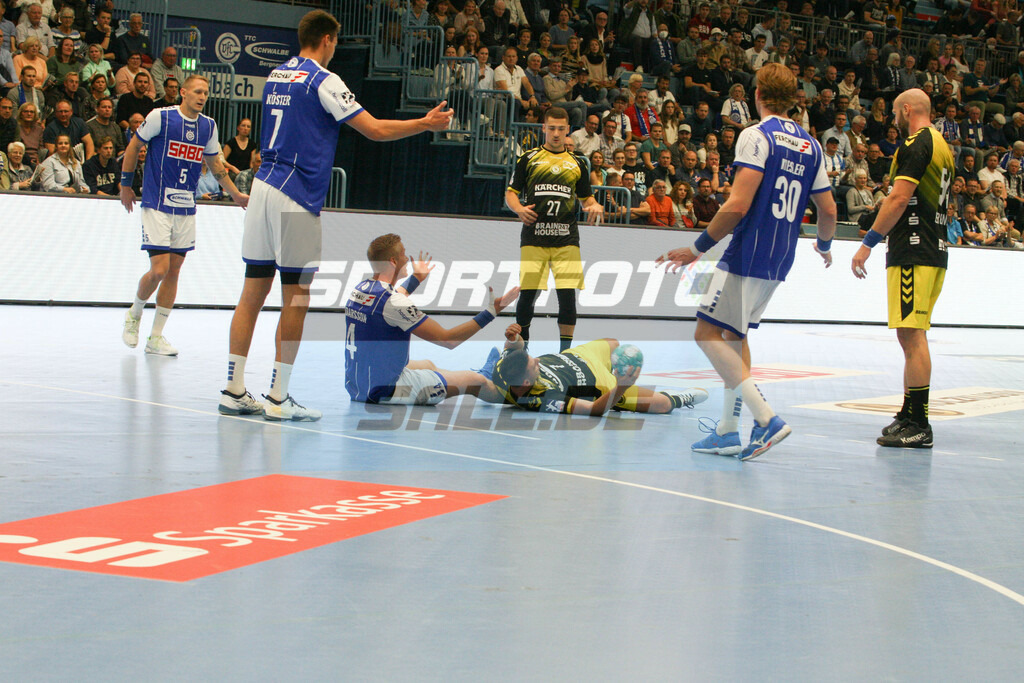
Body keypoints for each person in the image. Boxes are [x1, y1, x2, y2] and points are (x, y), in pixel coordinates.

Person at [220, 10, 453, 422]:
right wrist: (426, 123)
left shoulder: (276, 75)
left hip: (260, 188)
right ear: (327, 39)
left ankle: (234, 389)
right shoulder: (323, 79)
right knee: (297, 297)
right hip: (295, 195)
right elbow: (375, 130)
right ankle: (278, 396)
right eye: (336, 41)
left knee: (251, 294)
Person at [656, 62, 837, 460]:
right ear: (794, 99)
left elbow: (738, 204)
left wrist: (697, 248)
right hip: (781, 258)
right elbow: (828, 211)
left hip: (747, 252)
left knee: (705, 333)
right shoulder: (813, 145)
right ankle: (726, 430)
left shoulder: (756, 136)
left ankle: (766, 418)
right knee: (735, 338)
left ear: (757, 93)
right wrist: (824, 246)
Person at [852, 89, 956, 449]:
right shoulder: (942, 144)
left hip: (914, 249)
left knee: (913, 336)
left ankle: (920, 423)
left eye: (895, 111)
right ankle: (909, 412)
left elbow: (899, 198)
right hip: (930, 246)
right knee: (909, 334)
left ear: (907, 109)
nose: (892, 117)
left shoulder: (915, 142)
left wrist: (868, 242)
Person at [120, 74, 248, 358]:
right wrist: (126, 184)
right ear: (183, 92)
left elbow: (216, 165)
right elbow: (133, 147)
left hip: (186, 206)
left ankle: (156, 336)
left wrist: (235, 194)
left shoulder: (208, 126)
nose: (203, 97)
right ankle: (134, 313)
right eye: (198, 91)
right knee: (159, 270)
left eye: (206, 93)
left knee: (174, 271)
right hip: (156, 203)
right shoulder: (160, 117)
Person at [345, 234, 519, 406]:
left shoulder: (361, 289)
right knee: (475, 381)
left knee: (428, 364)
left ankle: (483, 374)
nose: (407, 258)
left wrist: (416, 279)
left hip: (358, 385)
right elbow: (449, 340)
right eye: (403, 254)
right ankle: (519, 398)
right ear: (393, 261)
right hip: (388, 391)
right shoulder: (394, 302)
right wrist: (492, 311)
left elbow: (391, 301)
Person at [505, 107, 603, 354]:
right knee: (528, 296)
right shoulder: (528, 158)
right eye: (552, 128)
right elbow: (510, 194)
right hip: (533, 237)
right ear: (544, 129)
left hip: (566, 239)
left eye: (561, 129)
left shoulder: (578, 162)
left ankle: (565, 354)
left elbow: (586, 199)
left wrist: (595, 205)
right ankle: (523, 351)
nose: (556, 134)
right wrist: (518, 209)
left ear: (568, 129)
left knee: (567, 297)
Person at [491, 323, 708, 416]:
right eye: (533, 365)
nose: (537, 361)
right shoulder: (546, 399)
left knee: (613, 342)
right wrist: (622, 386)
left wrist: (514, 338)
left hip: (579, 356)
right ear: (527, 384)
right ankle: (680, 398)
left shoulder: (503, 371)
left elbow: (513, 349)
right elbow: (593, 410)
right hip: (603, 384)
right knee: (662, 405)